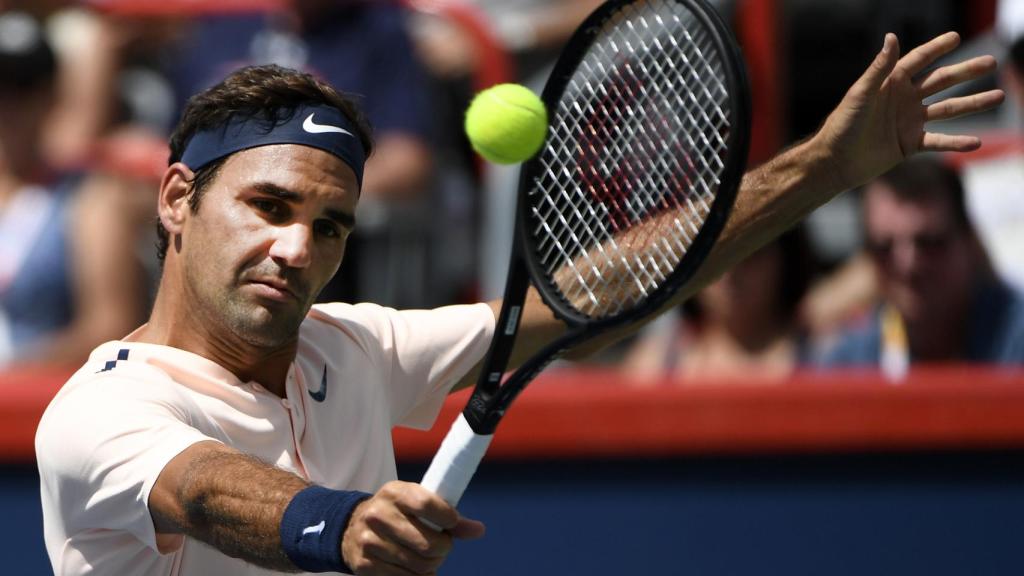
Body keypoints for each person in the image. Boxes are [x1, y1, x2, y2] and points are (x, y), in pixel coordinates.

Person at [35, 30, 1002, 575]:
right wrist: (343, 523)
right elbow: (208, 491)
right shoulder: (99, 411)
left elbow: (597, 296)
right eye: (269, 207)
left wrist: (824, 168)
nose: (298, 248)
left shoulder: (352, 346)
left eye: (330, 226)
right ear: (178, 199)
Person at [0, 11, 145, 368]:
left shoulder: (89, 199)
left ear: (51, 97)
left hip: (38, 393)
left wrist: (13, 374)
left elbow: (110, 326)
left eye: (22, 89)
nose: (7, 106)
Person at [816, 155, 1024, 376]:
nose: (907, 263)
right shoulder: (849, 365)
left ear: (969, 241)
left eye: (928, 243)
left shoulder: (1014, 339)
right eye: (885, 247)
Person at [623, 227, 817, 382]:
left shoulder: (823, 353)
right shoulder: (655, 364)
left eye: (750, 253)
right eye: (717, 256)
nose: (731, 273)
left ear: (786, 257)